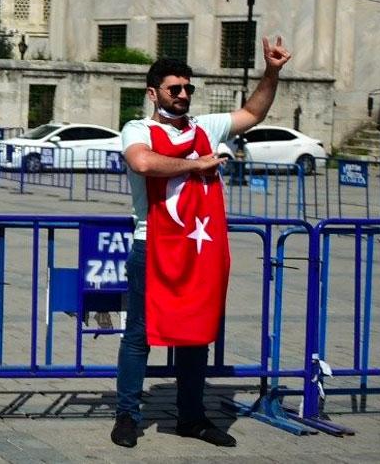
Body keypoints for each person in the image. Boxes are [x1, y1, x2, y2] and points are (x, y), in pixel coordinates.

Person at [110, 37, 291, 450]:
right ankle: (127, 416)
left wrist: (272, 72)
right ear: (153, 93)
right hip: (151, 245)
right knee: (139, 334)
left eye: (188, 88)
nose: (183, 95)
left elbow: (252, 113)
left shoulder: (205, 127)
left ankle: (192, 417)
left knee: (196, 335)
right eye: (175, 89)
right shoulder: (139, 129)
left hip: (198, 250)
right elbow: (142, 162)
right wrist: (197, 164)